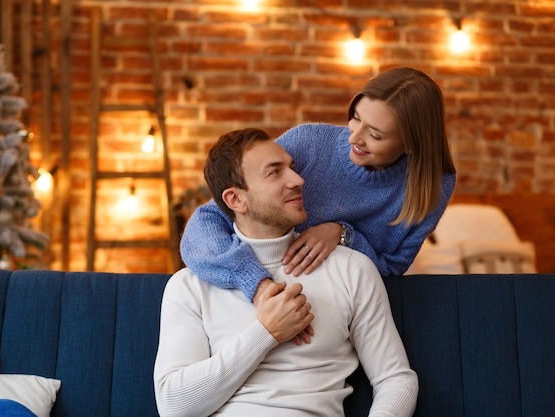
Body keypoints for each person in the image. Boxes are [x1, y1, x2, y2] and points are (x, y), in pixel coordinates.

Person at [153, 128, 418, 416]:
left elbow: (396, 380)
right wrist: (266, 333)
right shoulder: (190, 286)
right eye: (274, 173)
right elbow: (174, 406)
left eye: (291, 167)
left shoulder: (352, 269)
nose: (298, 179)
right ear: (235, 200)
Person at [180, 66, 457, 303]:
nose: (354, 138)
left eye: (374, 134)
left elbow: (391, 272)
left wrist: (342, 234)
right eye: (356, 118)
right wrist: (256, 283)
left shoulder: (434, 186)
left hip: (342, 302)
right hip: (267, 288)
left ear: (410, 144)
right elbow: (210, 217)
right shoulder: (308, 144)